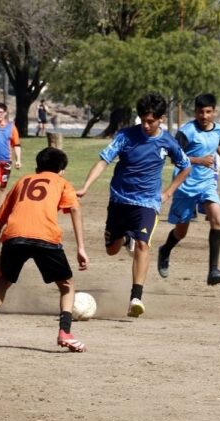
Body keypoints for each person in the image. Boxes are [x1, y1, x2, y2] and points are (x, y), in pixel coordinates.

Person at [76, 92, 191, 317]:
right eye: (143, 120)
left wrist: (167, 193)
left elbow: (185, 166)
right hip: (119, 200)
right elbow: (103, 161)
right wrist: (86, 186)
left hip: (147, 203)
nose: (146, 125)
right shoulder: (125, 136)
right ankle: (126, 237)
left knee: (143, 245)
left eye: (151, 121)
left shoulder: (168, 141)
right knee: (111, 250)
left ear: (160, 119)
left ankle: (136, 298)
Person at [0, 147, 89, 352]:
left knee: (3, 281)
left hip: (15, 236)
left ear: (37, 168)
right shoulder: (62, 183)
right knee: (66, 285)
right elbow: (74, 208)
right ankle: (65, 332)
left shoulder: (21, 182)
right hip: (46, 237)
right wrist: (81, 248)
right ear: (62, 170)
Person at [156, 93, 220, 286]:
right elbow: (175, 157)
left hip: (207, 183)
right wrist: (199, 160)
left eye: (208, 112)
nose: (204, 115)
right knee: (181, 231)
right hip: (185, 184)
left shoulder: (219, 130)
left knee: (217, 219)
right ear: (196, 112)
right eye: (201, 112)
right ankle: (165, 250)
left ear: (214, 112)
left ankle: (213, 271)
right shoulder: (186, 132)